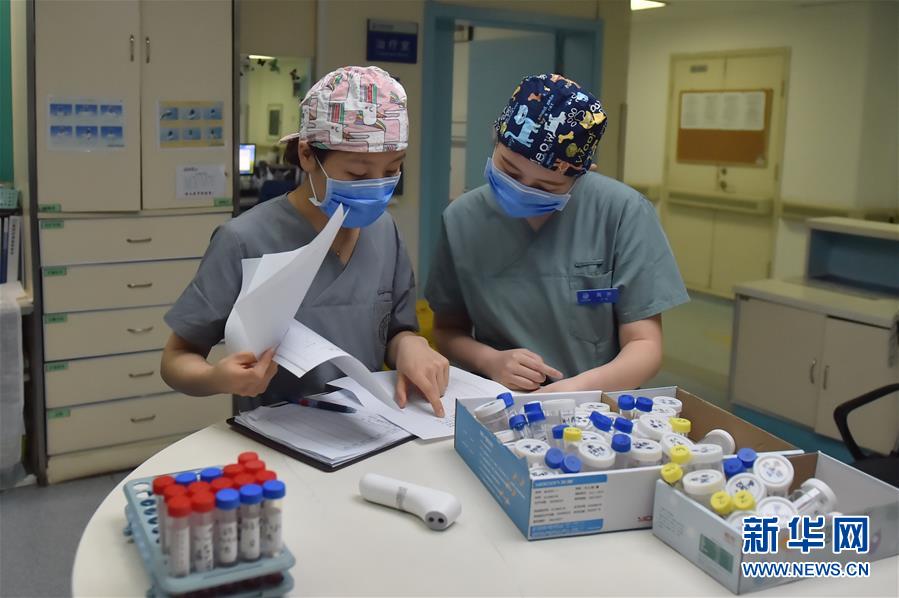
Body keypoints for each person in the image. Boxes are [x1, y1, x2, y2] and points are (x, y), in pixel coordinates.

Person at [162, 66, 449, 416]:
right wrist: (216, 378)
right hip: (275, 433)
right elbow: (176, 359)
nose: (376, 186)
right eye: (357, 173)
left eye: (391, 171)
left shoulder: (384, 231)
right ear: (307, 155)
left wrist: (409, 346)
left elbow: (395, 332)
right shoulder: (244, 240)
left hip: (369, 428)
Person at [426, 73, 689, 393]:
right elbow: (447, 330)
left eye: (545, 186)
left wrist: (576, 391)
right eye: (510, 171)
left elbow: (645, 345)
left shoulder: (622, 212)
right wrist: (489, 361)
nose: (522, 190)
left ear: (583, 174)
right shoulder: (461, 219)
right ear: (496, 139)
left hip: (593, 405)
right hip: (498, 399)